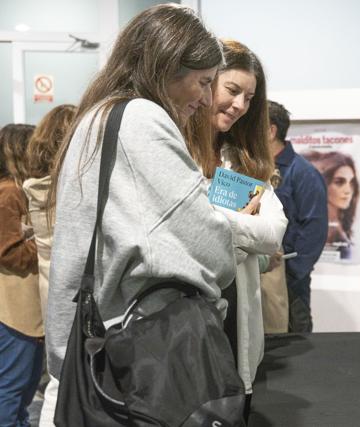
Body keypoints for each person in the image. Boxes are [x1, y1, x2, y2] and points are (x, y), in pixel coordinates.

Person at [45, 4, 236, 423]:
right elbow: (211, 247)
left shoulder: (97, 116)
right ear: (168, 66)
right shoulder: (142, 118)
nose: (206, 99)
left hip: (97, 348)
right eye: (203, 82)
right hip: (144, 353)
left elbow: (72, 253)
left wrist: (61, 357)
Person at [190, 38, 287, 419]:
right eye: (232, 90)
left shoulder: (240, 159)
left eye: (249, 97)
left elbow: (274, 232)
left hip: (238, 321)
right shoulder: (176, 153)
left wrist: (217, 224)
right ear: (206, 82)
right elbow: (187, 234)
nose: (240, 106)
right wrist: (245, 227)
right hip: (190, 322)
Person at [20, 104, 76, 426]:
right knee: (68, 381)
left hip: (49, 289)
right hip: (70, 291)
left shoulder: (35, 187)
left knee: (58, 377)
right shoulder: (67, 191)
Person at [267, 100, 328, 333]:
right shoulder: (253, 168)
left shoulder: (303, 173)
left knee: (293, 344)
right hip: (258, 278)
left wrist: (289, 273)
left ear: (271, 131)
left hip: (290, 283)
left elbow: (315, 231)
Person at [0, 124, 42, 427]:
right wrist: (45, 242)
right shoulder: (9, 193)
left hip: (20, 311)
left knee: (19, 389)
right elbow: (10, 252)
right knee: (13, 388)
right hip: (15, 312)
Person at [302, 150, 359, 260]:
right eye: (339, 182)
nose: (348, 190)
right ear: (323, 183)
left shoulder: (340, 233)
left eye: (351, 182)